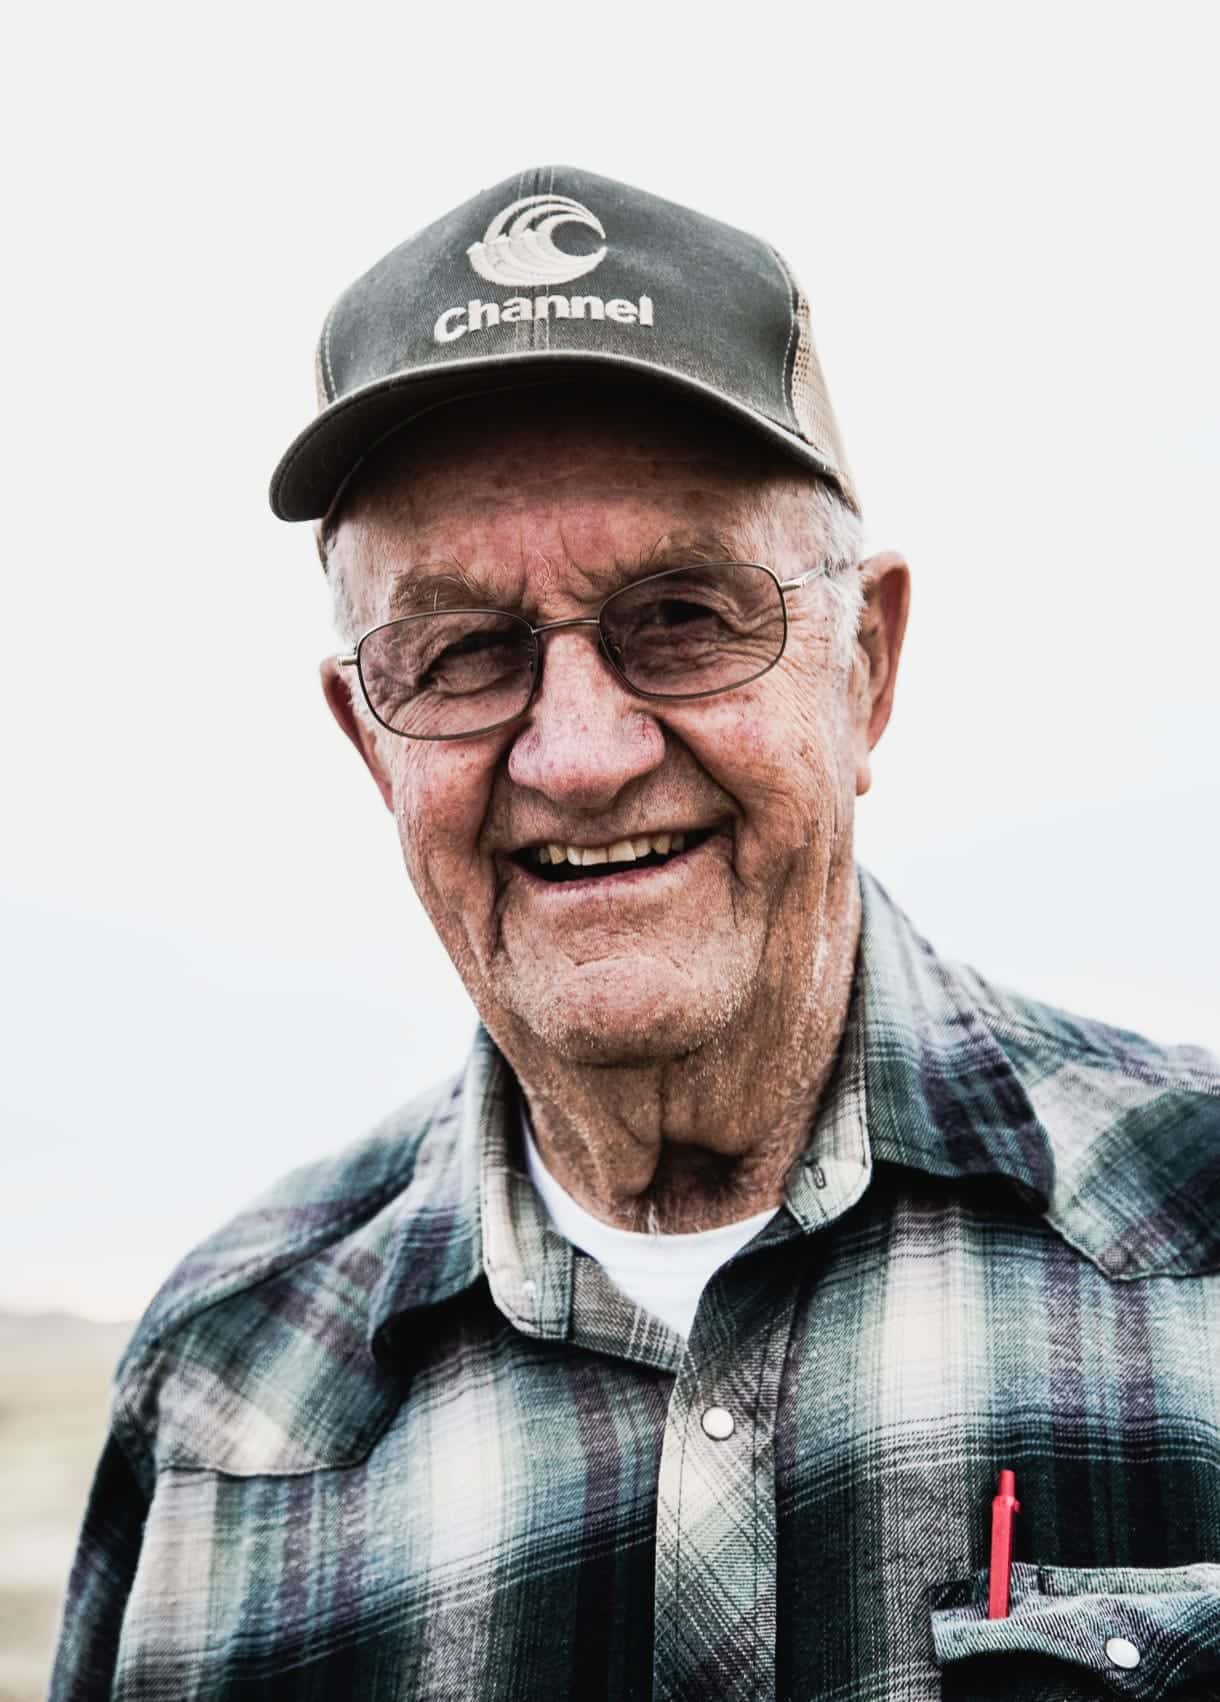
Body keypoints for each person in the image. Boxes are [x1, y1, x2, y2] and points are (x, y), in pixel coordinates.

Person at [52, 167, 1220, 1702]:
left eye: (682, 614)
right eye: (461, 653)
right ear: (367, 740)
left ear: (866, 667)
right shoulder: (224, 1403)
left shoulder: (1195, 1238)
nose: (581, 753)